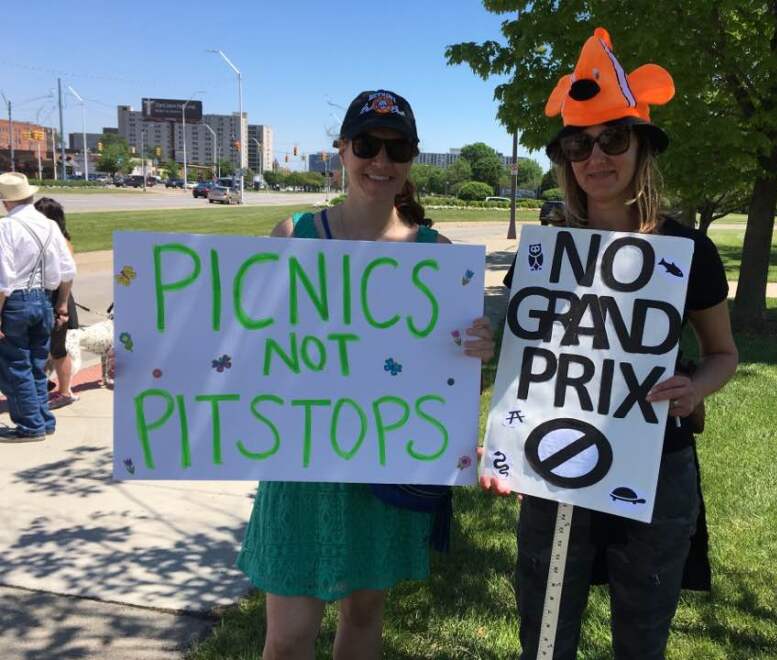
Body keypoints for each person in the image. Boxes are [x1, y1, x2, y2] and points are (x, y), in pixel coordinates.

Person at [482, 29, 739, 659]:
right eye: (578, 144)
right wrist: (505, 440)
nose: (596, 157)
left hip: (656, 463)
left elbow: (723, 354)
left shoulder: (687, 253)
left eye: (613, 139)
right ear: (566, 159)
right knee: (544, 637)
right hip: (554, 463)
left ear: (642, 147)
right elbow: (524, 355)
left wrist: (695, 386)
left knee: (642, 636)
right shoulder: (545, 254)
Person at [236, 89, 496, 660]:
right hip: (299, 464)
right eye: (367, 145)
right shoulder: (293, 236)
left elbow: (454, 387)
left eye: (397, 147)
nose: (381, 161)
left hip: (387, 461)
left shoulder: (438, 256)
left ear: (412, 158)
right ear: (342, 152)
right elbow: (244, 343)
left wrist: (474, 354)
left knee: (364, 616)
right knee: (285, 637)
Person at [0, 173, 77, 442]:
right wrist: (62, 304)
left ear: (6, 201)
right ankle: (42, 420)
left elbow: (4, 280)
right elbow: (68, 271)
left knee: (14, 365)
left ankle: (30, 424)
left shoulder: (6, 228)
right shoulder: (50, 226)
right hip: (44, 299)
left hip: (16, 303)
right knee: (35, 365)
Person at [33, 197, 80, 409]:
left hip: (57, 299)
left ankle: (65, 391)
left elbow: (66, 275)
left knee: (58, 349)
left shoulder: (62, 242)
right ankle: (45, 385)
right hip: (47, 299)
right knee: (44, 347)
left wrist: (61, 306)